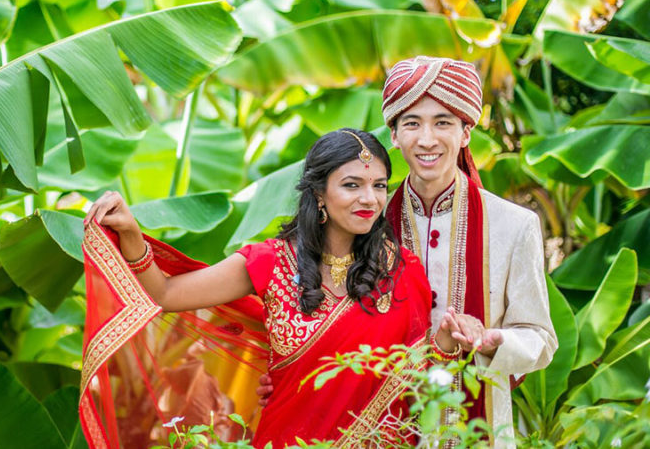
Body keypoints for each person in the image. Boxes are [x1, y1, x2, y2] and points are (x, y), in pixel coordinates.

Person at [81, 129, 462, 448]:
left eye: (379, 185)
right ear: (318, 193)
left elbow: (418, 379)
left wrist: (447, 341)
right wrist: (131, 233)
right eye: (352, 185)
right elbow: (164, 295)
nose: (369, 198)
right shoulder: (271, 261)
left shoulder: (401, 271)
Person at [258, 57, 558, 448]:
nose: (427, 139)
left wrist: (490, 339)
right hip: (378, 434)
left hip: (480, 433)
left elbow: (541, 340)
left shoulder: (514, 226)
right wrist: (292, 374)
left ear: (466, 132)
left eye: (443, 123)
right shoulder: (366, 223)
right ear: (395, 135)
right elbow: (326, 319)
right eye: (412, 123)